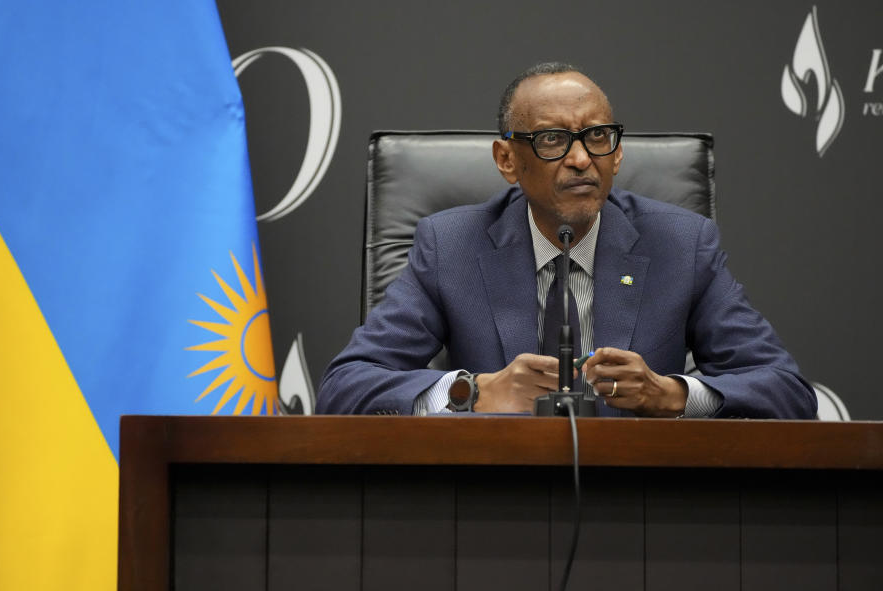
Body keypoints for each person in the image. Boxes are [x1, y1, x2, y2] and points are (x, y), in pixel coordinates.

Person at [316, 62, 816, 418]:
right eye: (553, 139)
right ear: (507, 160)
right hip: (491, 505)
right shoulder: (451, 247)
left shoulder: (682, 246)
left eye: (598, 136)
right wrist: (475, 393)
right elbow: (344, 388)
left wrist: (674, 396)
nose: (582, 159)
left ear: (617, 156)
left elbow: (787, 393)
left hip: (643, 511)